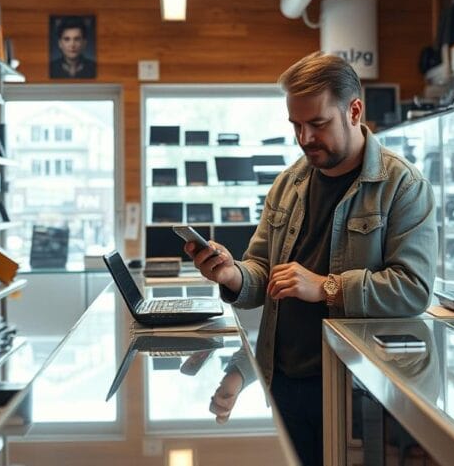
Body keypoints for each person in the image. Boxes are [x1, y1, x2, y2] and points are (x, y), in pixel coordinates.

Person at [186, 51, 438, 465]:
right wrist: (232, 275)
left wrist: (326, 287)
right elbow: (261, 271)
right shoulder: (289, 183)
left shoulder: (403, 186)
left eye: (317, 124)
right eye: (296, 125)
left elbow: (413, 290)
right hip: (282, 380)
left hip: (357, 387)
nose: (304, 138)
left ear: (354, 110)